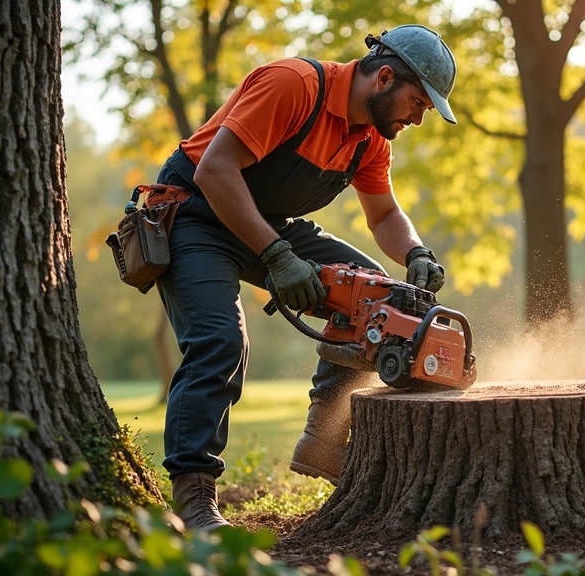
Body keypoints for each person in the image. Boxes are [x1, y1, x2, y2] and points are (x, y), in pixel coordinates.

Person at [152, 24, 458, 531]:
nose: (418, 118)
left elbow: (384, 215)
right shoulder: (293, 85)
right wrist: (276, 255)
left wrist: (416, 252)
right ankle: (194, 498)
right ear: (384, 77)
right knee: (220, 341)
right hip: (195, 215)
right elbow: (214, 171)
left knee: (382, 295)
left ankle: (323, 442)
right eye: (418, 103)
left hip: (267, 224)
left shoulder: (370, 140)